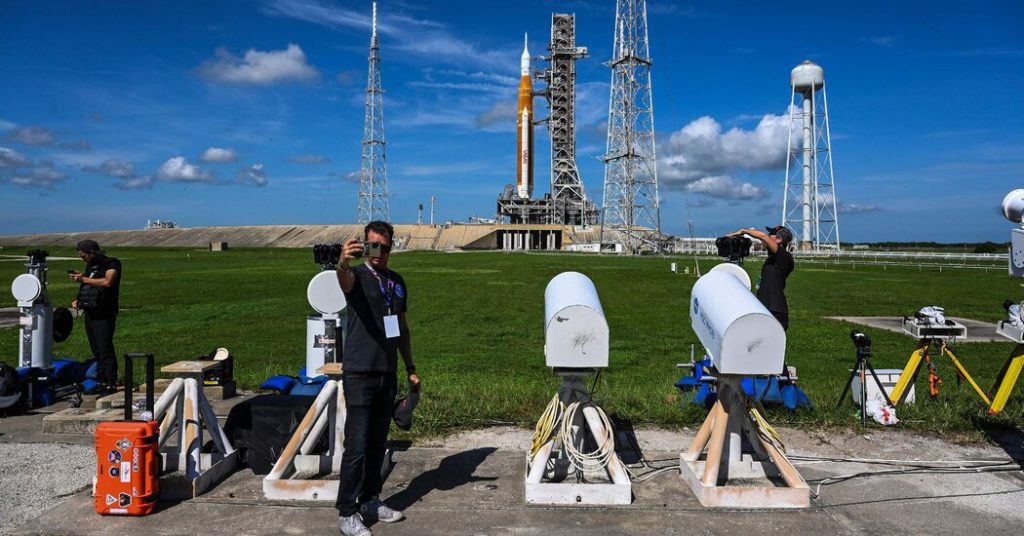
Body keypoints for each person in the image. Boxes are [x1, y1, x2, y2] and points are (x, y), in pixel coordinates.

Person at [335, 221, 420, 536]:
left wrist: (410, 366)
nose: (379, 253)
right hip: (359, 371)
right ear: (365, 246)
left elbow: (402, 328)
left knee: (377, 444)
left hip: (387, 371)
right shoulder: (357, 276)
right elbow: (343, 281)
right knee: (356, 445)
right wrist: (343, 261)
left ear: (391, 247)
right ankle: (347, 512)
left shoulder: (396, 282)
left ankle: (370, 499)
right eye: (374, 246)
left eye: (385, 247)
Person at [69, 239, 122, 394]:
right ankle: (101, 380)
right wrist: (79, 299)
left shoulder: (112, 263)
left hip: (105, 313)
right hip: (91, 313)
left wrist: (83, 279)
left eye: (84, 255)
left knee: (105, 348)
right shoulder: (90, 266)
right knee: (97, 350)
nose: (82, 258)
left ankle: (111, 382)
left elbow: (107, 282)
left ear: (91, 252)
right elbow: (89, 286)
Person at [729, 225, 794, 331]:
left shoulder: (784, 257)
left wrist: (744, 231)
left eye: (770, 235)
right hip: (765, 310)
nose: (767, 236)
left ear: (779, 239)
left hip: (775, 312)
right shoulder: (772, 260)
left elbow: (763, 236)